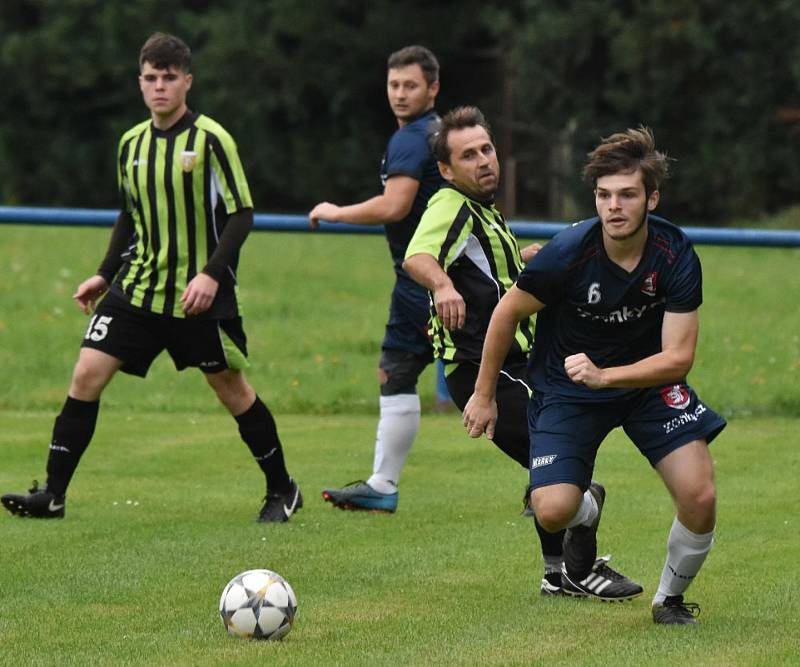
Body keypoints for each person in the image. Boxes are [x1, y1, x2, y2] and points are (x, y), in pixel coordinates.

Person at [1, 32, 301, 523]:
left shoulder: (211, 140)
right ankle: (52, 495)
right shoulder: (130, 144)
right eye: (150, 78)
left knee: (231, 390)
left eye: (168, 78)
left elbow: (242, 214)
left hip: (196, 296)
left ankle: (282, 489)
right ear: (139, 83)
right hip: (137, 289)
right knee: (85, 375)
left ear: (187, 82)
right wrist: (103, 274)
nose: (159, 87)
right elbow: (129, 215)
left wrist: (211, 274)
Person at [463, 126, 726, 624]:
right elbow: (505, 314)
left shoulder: (674, 255)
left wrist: (608, 376)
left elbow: (679, 359)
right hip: (569, 389)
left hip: (645, 385)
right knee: (553, 510)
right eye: (604, 195)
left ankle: (669, 600)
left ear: (652, 197)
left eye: (628, 195)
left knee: (700, 494)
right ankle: (587, 512)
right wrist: (484, 395)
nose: (614, 206)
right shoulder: (567, 252)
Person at [403, 106, 642, 600]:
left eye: (487, 149)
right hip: (480, 369)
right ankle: (578, 564)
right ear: (447, 171)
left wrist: (524, 260)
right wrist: (442, 284)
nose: (484, 161)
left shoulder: (485, 211)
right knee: (562, 473)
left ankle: (558, 574)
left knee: (556, 466)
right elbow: (417, 256)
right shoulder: (450, 203)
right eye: (468, 155)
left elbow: (493, 280)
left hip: (519, 364)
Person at [308, 46, 444, 513]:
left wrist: (336, 212)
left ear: (433, 88)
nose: (401, 94)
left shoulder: (411, 139)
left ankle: (558, 481)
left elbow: (394, 206)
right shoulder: (438, 133)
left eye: (411, 85)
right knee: (399, 371)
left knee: (478, 383)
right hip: (432, 279)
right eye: (394, 85)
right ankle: (382, 486)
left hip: (428, 280)